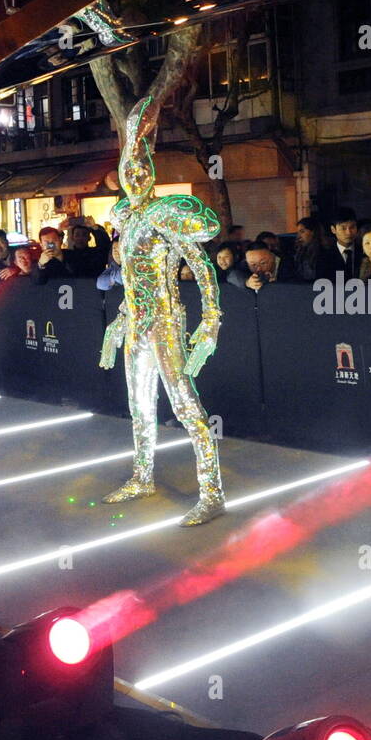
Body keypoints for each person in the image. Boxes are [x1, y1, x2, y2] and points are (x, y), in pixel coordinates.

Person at [97, 94, 226, 526]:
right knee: (140, 406)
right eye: (126, 171)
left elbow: (202, 261)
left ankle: (212, 491)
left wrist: (211, 319)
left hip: (168, 326)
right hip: (137, 326)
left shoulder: (163, 215)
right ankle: (142, 476)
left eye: (139, 169)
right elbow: (135, 281)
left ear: (150, 175)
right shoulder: (128, 219)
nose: (132, 176)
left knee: (186, 404)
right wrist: (121, 317)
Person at [316, 208, 359, 280]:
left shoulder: (365, 252)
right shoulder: (324, 257)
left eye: (352, 227)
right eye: (343, 228)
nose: (349, 232)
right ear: (333, 229)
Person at [292, 216, 323, 282]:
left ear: (313, 232)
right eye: (298, 232)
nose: (299, 236)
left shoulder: (325, 252)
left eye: (302, 232)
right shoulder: (299, 252)